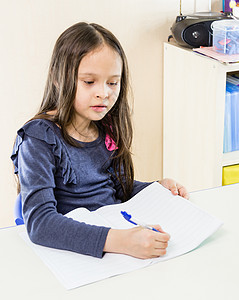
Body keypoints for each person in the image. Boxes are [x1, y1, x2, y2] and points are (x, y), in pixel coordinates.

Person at [11, 22, 189, 259]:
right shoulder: (38, 139)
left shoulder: (105, 127)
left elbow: (115, 189)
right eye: (89, 82)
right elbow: (40, 223)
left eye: (113, 83)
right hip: (74, 254)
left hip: (114, 242)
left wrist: (156, 189)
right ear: (58, 78)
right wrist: (121, 241)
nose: (104, 93)